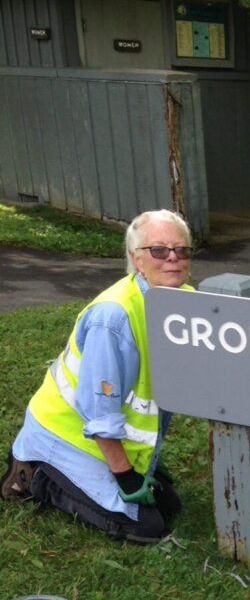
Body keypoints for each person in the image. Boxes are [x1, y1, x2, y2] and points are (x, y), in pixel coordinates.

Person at [1, 209, 194, 544]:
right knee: (146, 528)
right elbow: (99, 411)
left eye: (182, 250)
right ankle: (33, 474)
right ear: (137, 259)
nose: (173, 258)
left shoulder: (184, 301)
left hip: (101, 438)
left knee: (170, 505)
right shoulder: (113, 318)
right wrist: (126, 476)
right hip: (67, 438)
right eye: (159, 250)